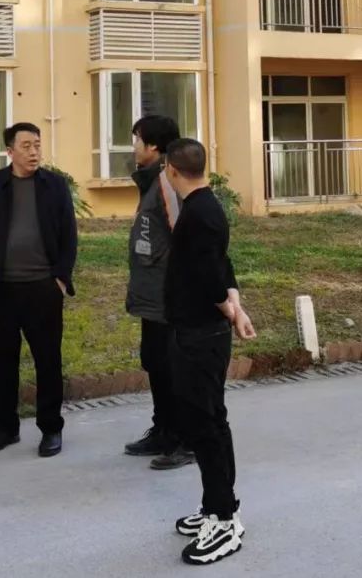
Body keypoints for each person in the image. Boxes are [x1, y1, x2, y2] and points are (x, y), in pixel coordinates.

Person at [0, 123, 78, 458]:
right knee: (4, 362)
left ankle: (51, 429)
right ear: (10, 151)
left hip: (43, 288)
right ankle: (6, 428)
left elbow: (69, 235)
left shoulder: (54, 185)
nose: (34, 152)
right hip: (2, 289)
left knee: (48, 361)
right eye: (26, 146)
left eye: (37, 145)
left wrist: (61, 278)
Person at [162, 138, 256, 566]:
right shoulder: (204, 207)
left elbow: (210, 276)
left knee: (206, 425)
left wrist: (228, 307)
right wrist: (236, 306)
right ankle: (216, 504)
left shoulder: (199, 213)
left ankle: (224, 519)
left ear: (171, 170)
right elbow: (221, 263)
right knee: (208, 420)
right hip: (197, 331)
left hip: (201, 335)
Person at [123, 115, 195, 470]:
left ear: (153, 146)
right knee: (155, 361)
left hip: (169, 294)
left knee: (173, 368)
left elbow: (184, 236)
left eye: (137, 139)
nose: (134, 146)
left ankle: (186, 439)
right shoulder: (153, 180)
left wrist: (181, 290)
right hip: (153, 294)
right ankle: (164, 430)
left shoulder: (168, 182)